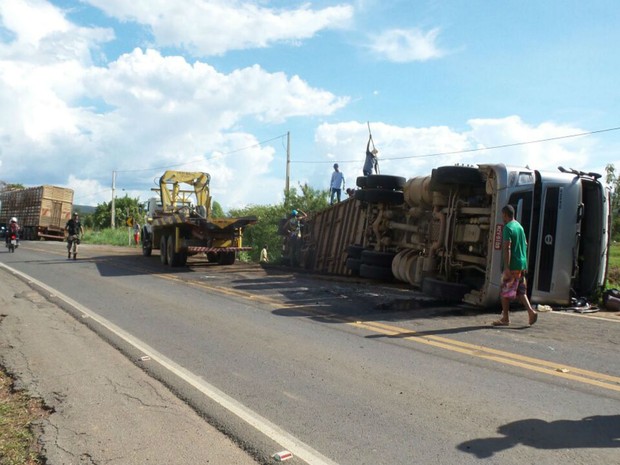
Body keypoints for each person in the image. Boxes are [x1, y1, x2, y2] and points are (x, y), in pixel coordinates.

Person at [493, 205, 538, 327]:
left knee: (504, 291)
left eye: (502, 215)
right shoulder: (519, 227)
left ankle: (505, 318)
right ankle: (531, 312)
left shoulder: (508, 228)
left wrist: (507, 267)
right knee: (520, 291)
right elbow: (525, 245)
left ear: (506, 215)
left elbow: (507, 247)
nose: (502, 217)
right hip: (522, 264)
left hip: (513, 265)